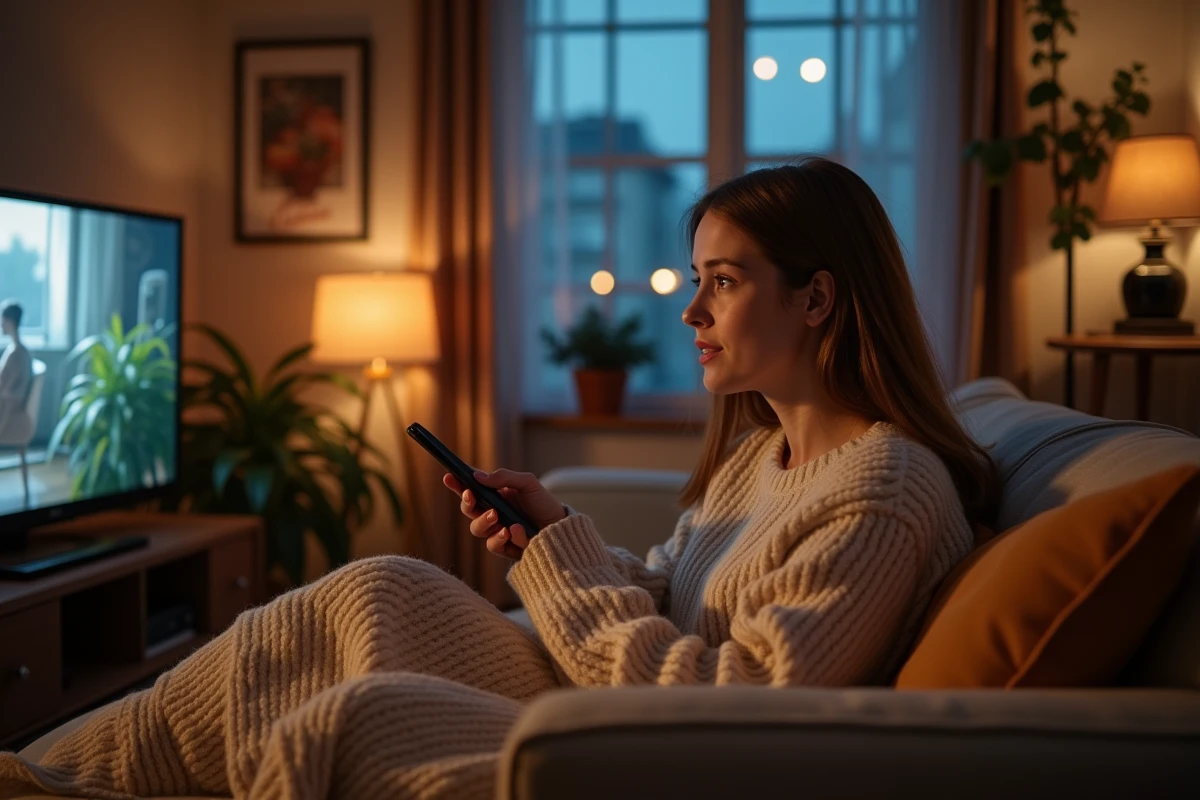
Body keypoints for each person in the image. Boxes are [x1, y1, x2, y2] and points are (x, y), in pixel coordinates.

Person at [0, 159, 998, 799]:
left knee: (360, 714)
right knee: (374, 587)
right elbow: (667, 588)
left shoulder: (883, 492)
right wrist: (553, 529)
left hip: (658, 745)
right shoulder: (763, 455)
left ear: (817, 297)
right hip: (616, 692)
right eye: (695, 279)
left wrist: (560, 572)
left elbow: (738, 698)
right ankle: (52, 774)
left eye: (722, 282)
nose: (691, 312)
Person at [0, 300, 34, 435]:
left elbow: (6, 385)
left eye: (2, 319)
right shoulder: (16, 350)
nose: (1, 324)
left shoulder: (17, 353)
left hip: (8, 403)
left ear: (9, 321)